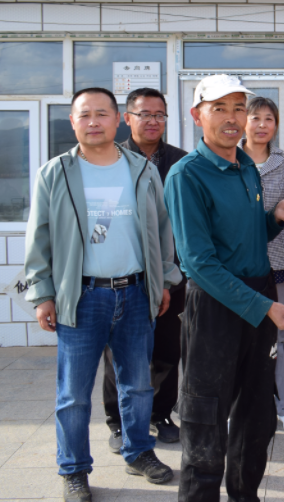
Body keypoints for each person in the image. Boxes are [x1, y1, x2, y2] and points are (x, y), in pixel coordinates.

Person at [24, 87, 181, 502]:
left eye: (101, 113)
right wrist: (42, 293)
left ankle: (138, 451)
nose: (93, 121)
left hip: (135, 293)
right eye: (84, 114)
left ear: (117, 120)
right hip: (81, 297)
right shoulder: (56, 173)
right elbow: (39, 237)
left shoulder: (141, 170)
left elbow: (162, 228)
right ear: (73, 122)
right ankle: (74, 470)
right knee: (73, 394)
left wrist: (164, 280)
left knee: (138, 385)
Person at [164, 74, 284, 502]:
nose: (232, 118)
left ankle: (245, 494)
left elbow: (246, 237)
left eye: (238, 108)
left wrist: (274, 217)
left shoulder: (247, 167)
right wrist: (263, 306)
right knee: (206, 415)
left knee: (257, 412)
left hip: (258, 296)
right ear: (197, 115)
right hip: (216, 305)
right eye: (219, 108)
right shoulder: (187, 175)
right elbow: (198, 262)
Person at [102, 87, 188, 450]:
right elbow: (102, 218)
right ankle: (118, 421)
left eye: (159, 115)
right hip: (125, 272)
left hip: (172, 272)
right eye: (144, 114)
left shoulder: (182, 162)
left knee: (168, 349)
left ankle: (160, 414)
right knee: (119, 353)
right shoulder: (111, 160)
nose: (153, 121)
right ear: (127, 118)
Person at [241, 96, 284, 434]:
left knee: (283, 337)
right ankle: (241, 405)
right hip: (240, 263)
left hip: (280, 259)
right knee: (242, 338)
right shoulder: (228, 159)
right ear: (244, 122)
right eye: (255, 118)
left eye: (269, 118)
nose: (262, 125)